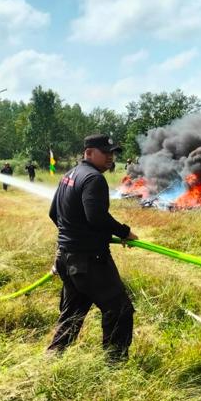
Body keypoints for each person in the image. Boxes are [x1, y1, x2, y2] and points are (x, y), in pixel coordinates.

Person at [47, 134, 137, 362]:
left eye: (112, 152)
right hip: (90, 260)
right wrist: (124, 231)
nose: (110, 157)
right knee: (119, 310)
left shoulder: (70, 175)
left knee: (73, 313)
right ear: (88, 153)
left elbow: (53, 213)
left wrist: (68, 241)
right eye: (104, 152)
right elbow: (96, 217)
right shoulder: (94, 179)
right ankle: (114, 365)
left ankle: (52, 359)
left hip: (67, 259)